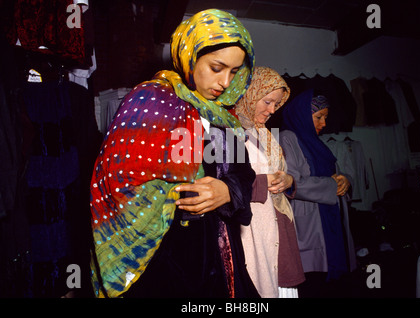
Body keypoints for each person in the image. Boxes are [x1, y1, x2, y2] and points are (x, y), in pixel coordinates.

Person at [89, 9, 260, 298]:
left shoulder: (225, 117)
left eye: (234, 71)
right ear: (189, 56)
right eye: (217, 68)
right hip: (164, 257)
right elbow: (114, 181)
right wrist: (170, 198)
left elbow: (244, 175)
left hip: (222, 254)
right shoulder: (150, 101)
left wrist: (227, 191)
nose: (226, 83)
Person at [235, 66, 305, 298]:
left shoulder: (265, 134)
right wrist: (264, 182)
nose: (272, 110)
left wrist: (288, 180)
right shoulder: (230, 132)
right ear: (250, 93)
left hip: (277, 226)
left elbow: (283, 174)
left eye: (276, 104)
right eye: (267, 102)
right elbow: (228, 183)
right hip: (251, 229)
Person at [279, 89, 355, 297]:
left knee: (334, 284)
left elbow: (335, 174)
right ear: (302, 115)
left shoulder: (316, 141)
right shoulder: (288, 138)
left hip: (330, 218)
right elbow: (291, 181)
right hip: (310, 222)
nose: (324, 124)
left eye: (326, 118)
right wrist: (331, 186)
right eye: (318, 117)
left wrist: (346, 180)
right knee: (314, 283)